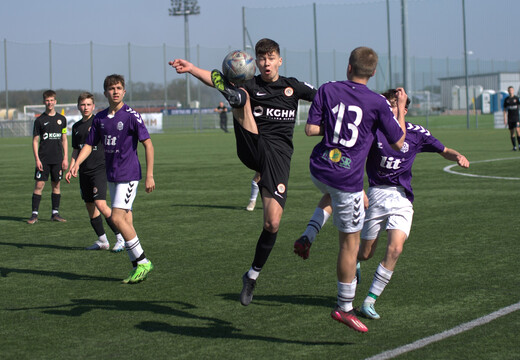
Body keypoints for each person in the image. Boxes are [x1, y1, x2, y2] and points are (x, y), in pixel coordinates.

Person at [295, 88, 470, 323]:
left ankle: (369, 301)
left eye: (396, 104)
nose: (390, 108)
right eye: (388, 104)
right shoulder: (372, 131)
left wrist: (458, 156)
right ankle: (354, 262)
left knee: (396, 249)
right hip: (376, 194)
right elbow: (352, 157)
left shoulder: (417, 134)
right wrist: (357, 188)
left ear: (405, 110)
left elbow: (444, 150)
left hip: (402, 198)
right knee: (365, 253)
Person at [170, 38, 316, 306]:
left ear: (279, 60)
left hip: (279, 159)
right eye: (261, 59)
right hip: (252, 144)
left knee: (272, 223)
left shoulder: (292, 86)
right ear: (256, 63)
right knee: (241, 95)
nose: (266, 63)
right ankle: (232, 94)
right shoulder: (251, 84)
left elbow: (324, 96)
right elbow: (210, 79)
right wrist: (192, 68)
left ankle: (251, 276)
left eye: (271, 58)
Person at [302, 47, 407, 333]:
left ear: (348, 67)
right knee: (350, 245)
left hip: (317, 169)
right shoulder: (377, 102)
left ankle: (309, 233)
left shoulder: (327, 89)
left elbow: (310, 129)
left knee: (331, 195)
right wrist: (401, 108)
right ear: (372, 73)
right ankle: (345, 308)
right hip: (346, 179)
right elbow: (399, 143)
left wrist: (336, 126)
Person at [69, 74, 156, 284]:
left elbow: (148, 144)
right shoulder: (99, 119)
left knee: (116, 218)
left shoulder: (131, 115)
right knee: (125, 220)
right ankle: (136, 266)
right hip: (112, 175)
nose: (115, 91)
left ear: (124, 91)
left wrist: (150, 175)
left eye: (118, 88)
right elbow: (89, 145)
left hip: (129, 175)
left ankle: (143, 261)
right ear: (105, 92)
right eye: (111, 88)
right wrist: (76, 163)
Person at [65, 92, 125, 252]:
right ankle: (102, 240)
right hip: (83, 170)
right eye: (83, 105)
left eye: (88, 105)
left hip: (99, 168)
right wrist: (72, 167)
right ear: (78, 106)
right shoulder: (76, 127)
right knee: (90, 205)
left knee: (100, 203)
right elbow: (76, 150)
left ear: (93, 106)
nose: (85, 107)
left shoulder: (99, 121)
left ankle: (120, 237)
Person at [27, 90, 68, 224]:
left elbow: (64, 139)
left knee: (56, 185)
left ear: (55, 102)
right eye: (47, 100)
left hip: (57, 159)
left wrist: (65, 157)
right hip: (43, 159)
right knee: (39, 185)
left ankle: (55, 213)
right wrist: (37, 159)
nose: (50, 103)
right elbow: (35, 141)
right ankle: (34, 214)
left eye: (52, 100)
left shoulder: (62, 120)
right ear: (44, 102)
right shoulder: (39, 120)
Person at [503, 86, 520, 151]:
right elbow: (504, 110)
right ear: (508, 91)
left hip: (516, 118)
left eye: (511, 90)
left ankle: (519, 145)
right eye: (509, 90)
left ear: (513, 90)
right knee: (512, 133)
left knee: (518, 131)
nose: (510, 91)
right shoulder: (507, 100)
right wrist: (504, 118)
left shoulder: (516, 98)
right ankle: (514, 147)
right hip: (510, 118)